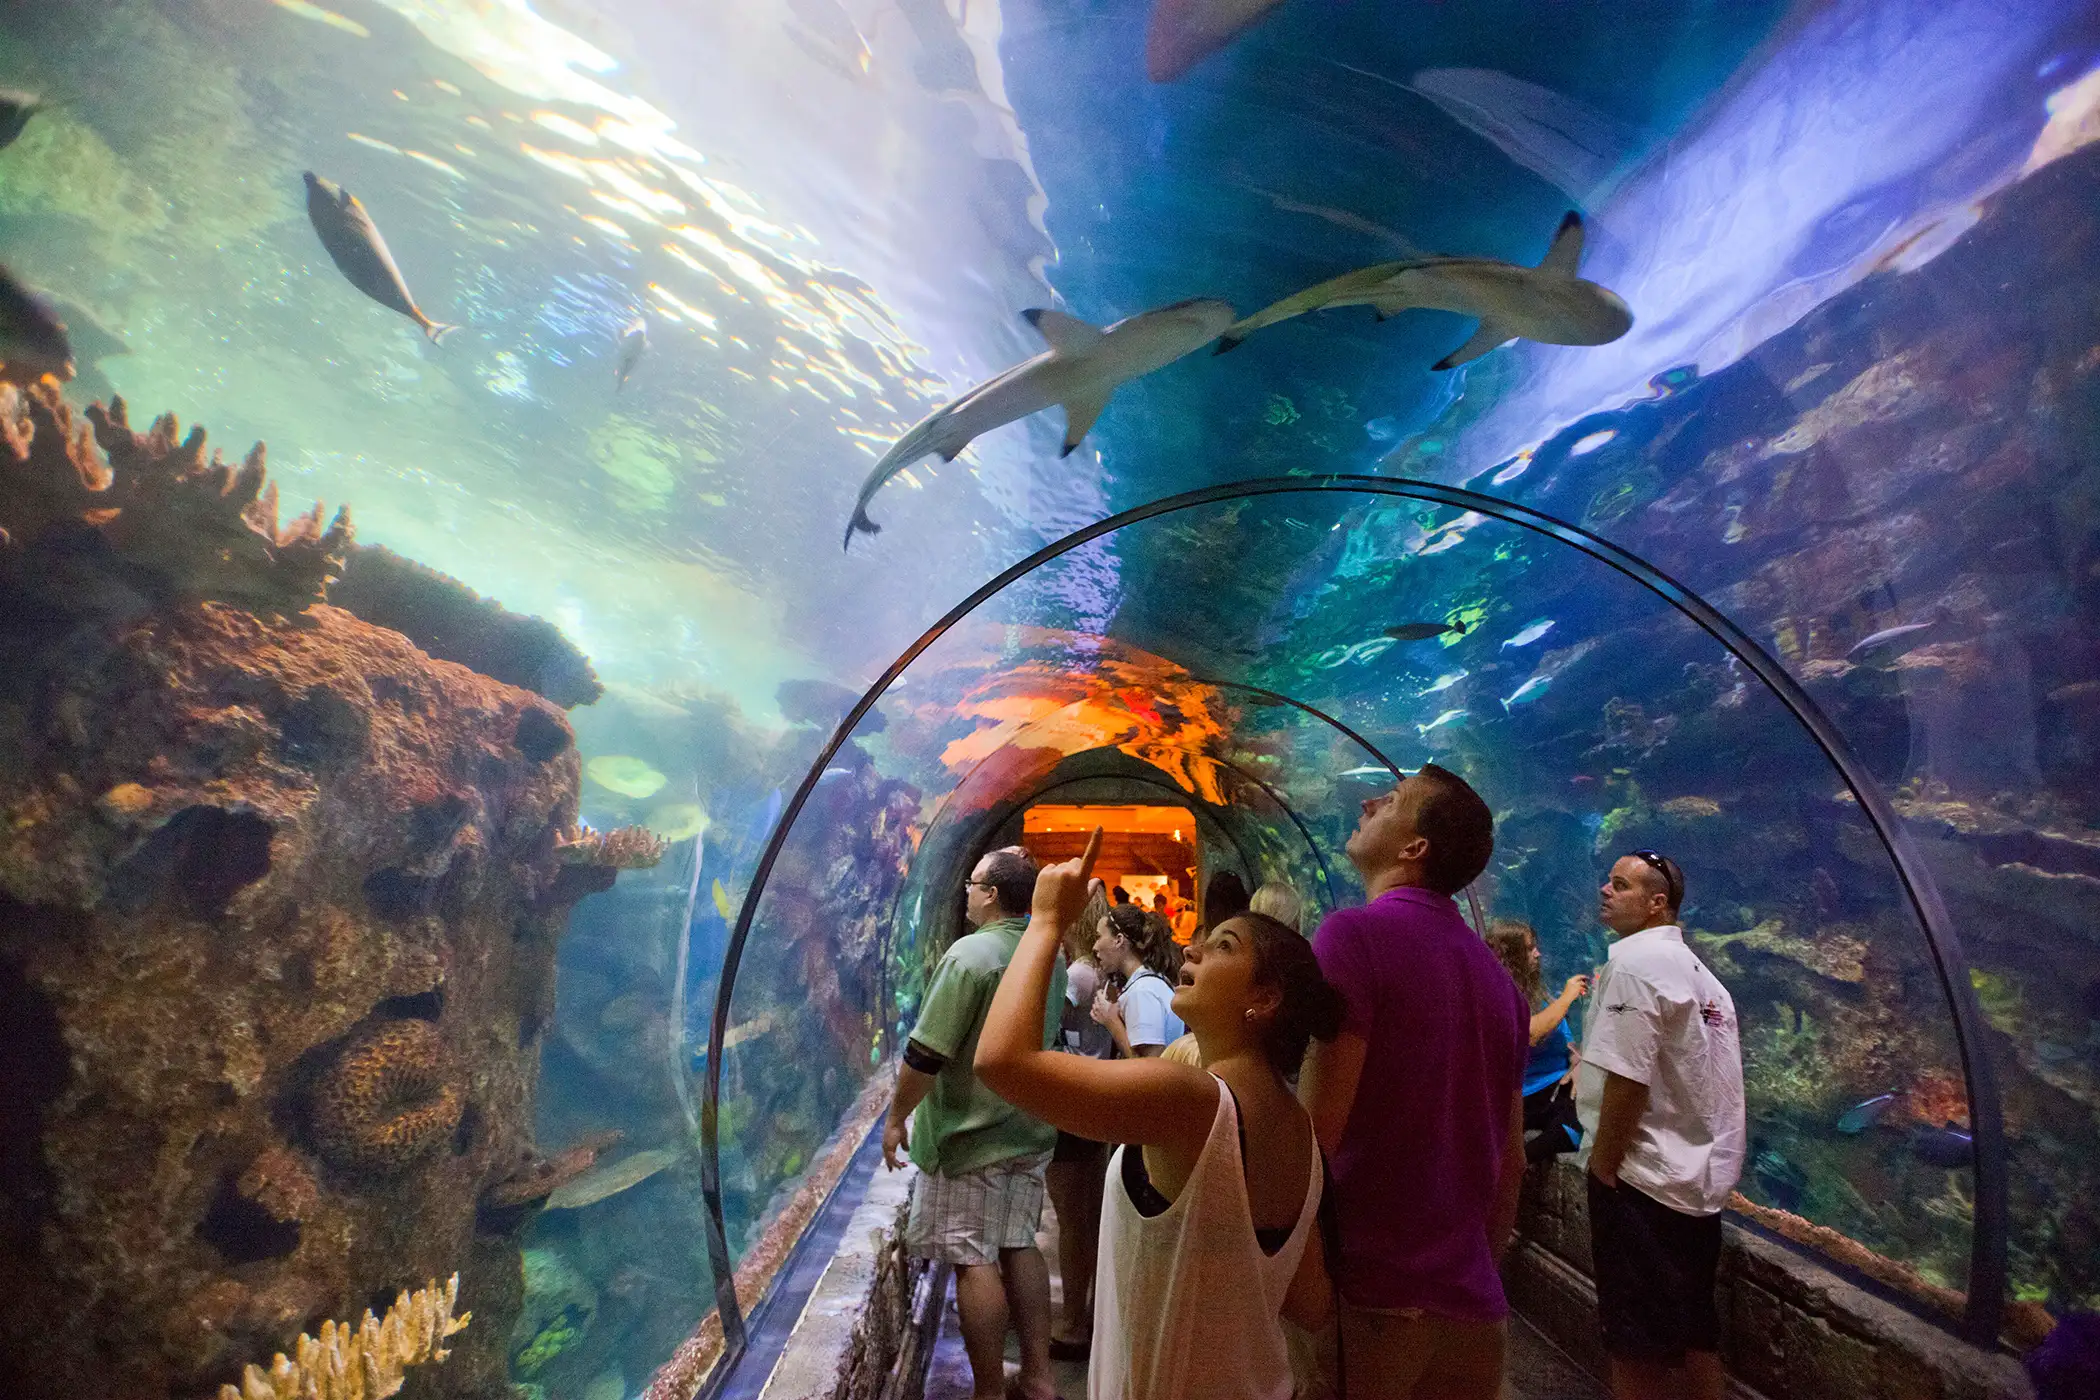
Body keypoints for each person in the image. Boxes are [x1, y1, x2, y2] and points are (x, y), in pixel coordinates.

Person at [976, 828, 1344, 1400]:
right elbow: (1310, 1301)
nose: (1192, 949)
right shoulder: (1301, 1131)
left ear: (1264, 998)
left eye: (1224, 947)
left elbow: (1002, 1062)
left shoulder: (1193, 1100)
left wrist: (1046, 920)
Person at [1298, 764, 1529, 1400]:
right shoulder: (1501, 985)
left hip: (1371, 1297)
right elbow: (1511, 1162)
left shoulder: (1353, 936)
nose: (1369, 801)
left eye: (1394, 800)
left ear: (1414, 847)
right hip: (1474, 1313)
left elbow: (1316, 1135)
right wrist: (1471, 1277)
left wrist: (1304, 1282)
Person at [883, 846, 1067, 1400]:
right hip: (1028, 1127)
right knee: (1019, 1244)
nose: (965, 891)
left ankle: (987, 1390)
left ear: (991, 894)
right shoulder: (1047, 952)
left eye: (972, 883)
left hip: (970, 1136)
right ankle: (1038, 1377)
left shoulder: (971, 955)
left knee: (972, 1258)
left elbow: (927, 1052)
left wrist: (897, 1117)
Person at [1578, 850, 1745, 1400]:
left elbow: (1628, 1077)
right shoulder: (1705, 979)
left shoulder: (1636, 966)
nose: (1605, 890)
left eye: (1620, 885)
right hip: (1695, 1184)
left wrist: (1605, 1166)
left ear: (1657, 903)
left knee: (1635, 1343)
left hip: (1641, 1180)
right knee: (1695, 1328)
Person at [1048, 881, 1114, 1360]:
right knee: (1087, 1215)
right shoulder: (1098, 970)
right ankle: (1086, 1313)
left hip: (1071, 1098)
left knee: (1072, 1217)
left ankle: (1073, 1323)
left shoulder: (1077, 973)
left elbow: (1045, 1018)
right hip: (1094, 1096)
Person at [1486, 918, 1590, 1162]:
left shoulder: (1537, 992)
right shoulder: (1494, 992)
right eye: (1529, 948)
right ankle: (1516, 1164)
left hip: (1555, 1087)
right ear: (1509, 954)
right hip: (1520, 1095)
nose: (1538, 953)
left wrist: (1578, 1064)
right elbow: (1529, 1034)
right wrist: (1567, 997)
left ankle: (1522, 1160)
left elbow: (1566, 1041)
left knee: (1578, 1126)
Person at [1092, 904, 1184, 1058]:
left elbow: (1151, 1065)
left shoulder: (1142, 991)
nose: (1095, 947)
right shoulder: (1147, 982)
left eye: (1098, 937)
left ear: (1118, 940)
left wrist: (1112, 1022)